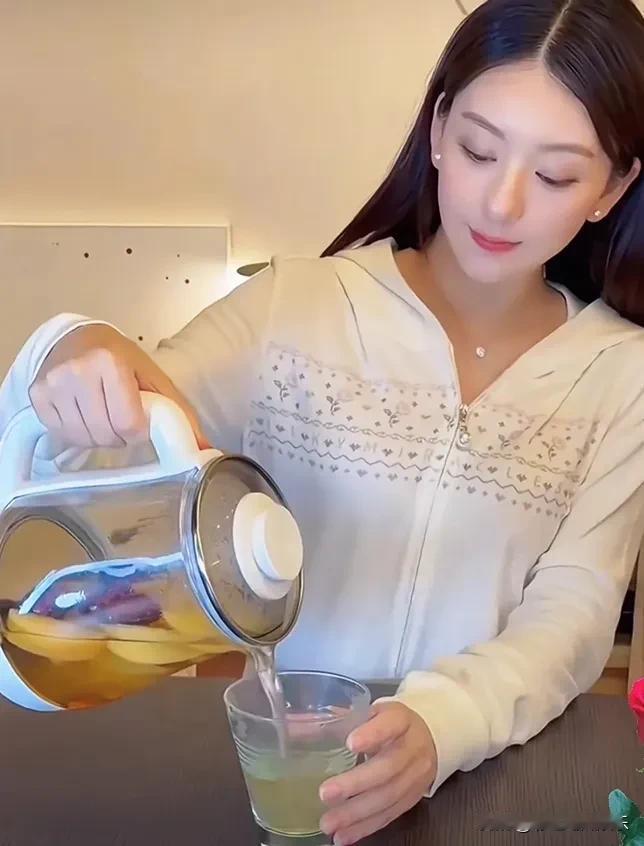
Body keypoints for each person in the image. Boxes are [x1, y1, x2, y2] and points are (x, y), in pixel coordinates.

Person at [3, 0, 644, 842]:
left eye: (556, 176)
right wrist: (68, 350)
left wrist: (444, 724)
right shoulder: (294, 307)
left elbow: (574, 613)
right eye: (481, 150)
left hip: (487, 783)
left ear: (612, 189)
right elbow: (117, 450)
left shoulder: (621, 374)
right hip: (285, 774)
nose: (502, 201)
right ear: (438, 132)